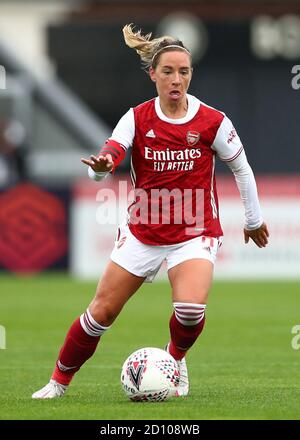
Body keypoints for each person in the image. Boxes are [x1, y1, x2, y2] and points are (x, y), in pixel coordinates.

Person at [32, 24, 269, 399]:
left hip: (194, 231)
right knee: (100, 314)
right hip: (143, 232)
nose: (177, 80)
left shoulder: (213, 121)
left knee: (190, 309)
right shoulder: (137, 118)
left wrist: (253, 220)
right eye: (168, 72)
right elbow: (107, 157)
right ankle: (57, 383)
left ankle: (175, 360)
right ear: (153, 75)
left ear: (191, 74)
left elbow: (241, 168)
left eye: (184, 72)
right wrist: (100, 167)